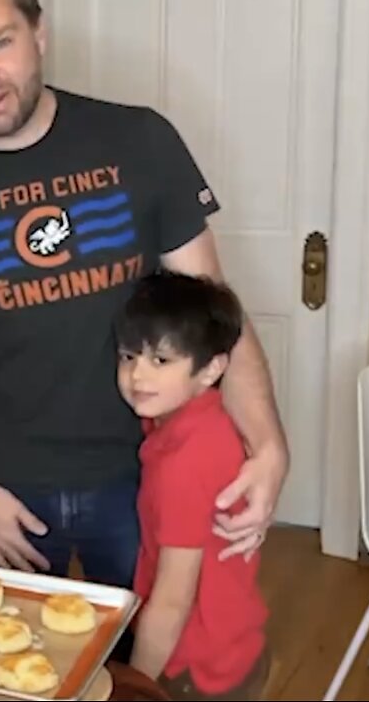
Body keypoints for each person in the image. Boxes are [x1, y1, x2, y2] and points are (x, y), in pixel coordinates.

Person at [0, 0, 286, 603]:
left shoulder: (140, 142)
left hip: (146, 470)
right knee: (8, 673)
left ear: (38, 34)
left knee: (142, 671)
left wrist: (267, 446)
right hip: (1, 489)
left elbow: (212, 307)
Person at [115, 271, 270, 700]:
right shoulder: (200, 418)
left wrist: (133, 685)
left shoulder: (185, 460)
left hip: (195, 669)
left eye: (161, 361)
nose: (137, 376)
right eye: (129, 356)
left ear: (211, 369)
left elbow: (172, 600)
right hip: (233, 642)